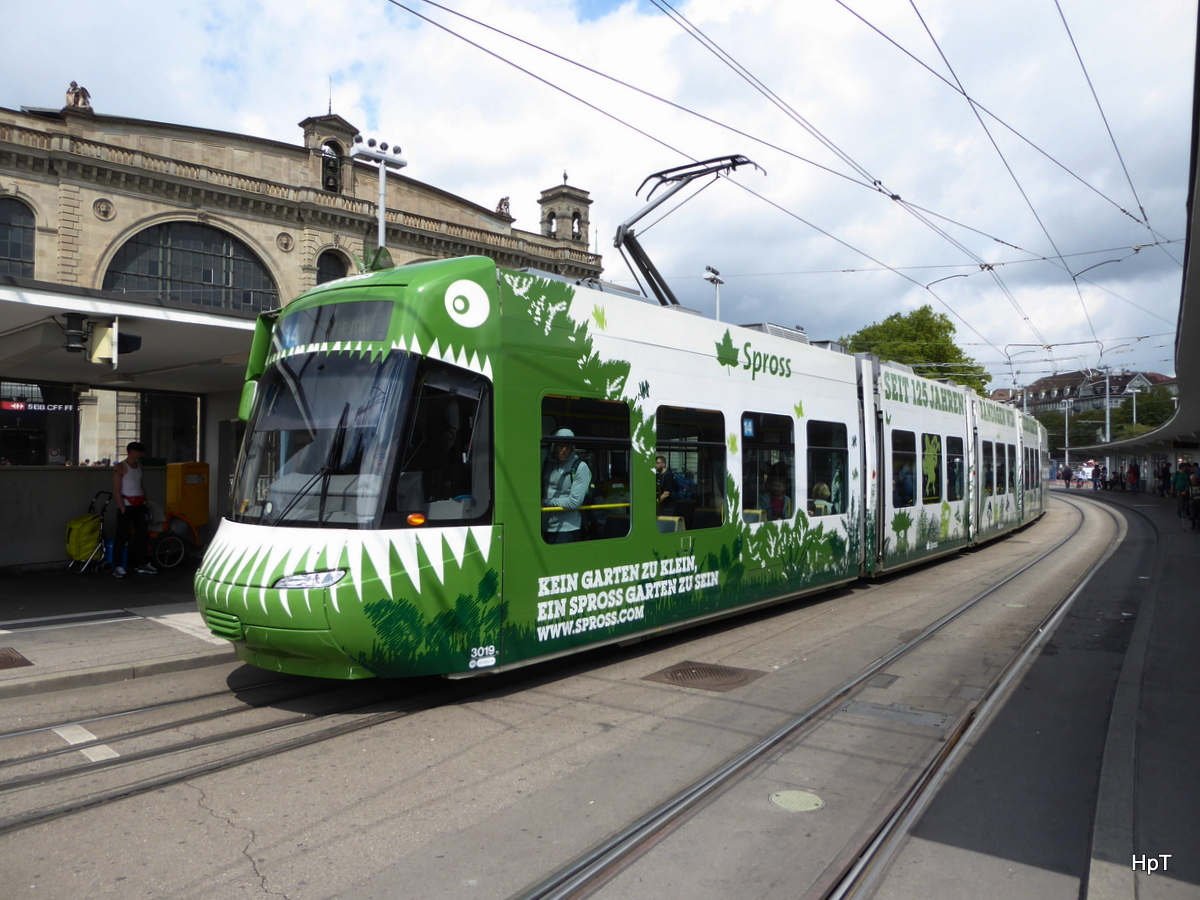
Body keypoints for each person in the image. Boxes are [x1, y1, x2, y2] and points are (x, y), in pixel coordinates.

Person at [111, 441, 158, 577]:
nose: (141, 454)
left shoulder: (139, 467)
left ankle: (141, 563)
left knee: (142, 535)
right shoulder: (120, 467)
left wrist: (146, 502)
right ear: (131, 451)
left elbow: (141, 485)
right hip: (127, 506)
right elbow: (116, 490)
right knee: (121, 536)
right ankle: (118, 566)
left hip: (140, 505)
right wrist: (122, 508)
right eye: (139, 452)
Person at [542, 428, 590, 543]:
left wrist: (546, 503)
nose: (563, 450)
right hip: (545, 525)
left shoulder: (580, 467)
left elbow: (575, 502)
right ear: (553, 446)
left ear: (572, 448)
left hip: (567, 528)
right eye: (560, 445)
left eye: (567, 447)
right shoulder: (548, 463)